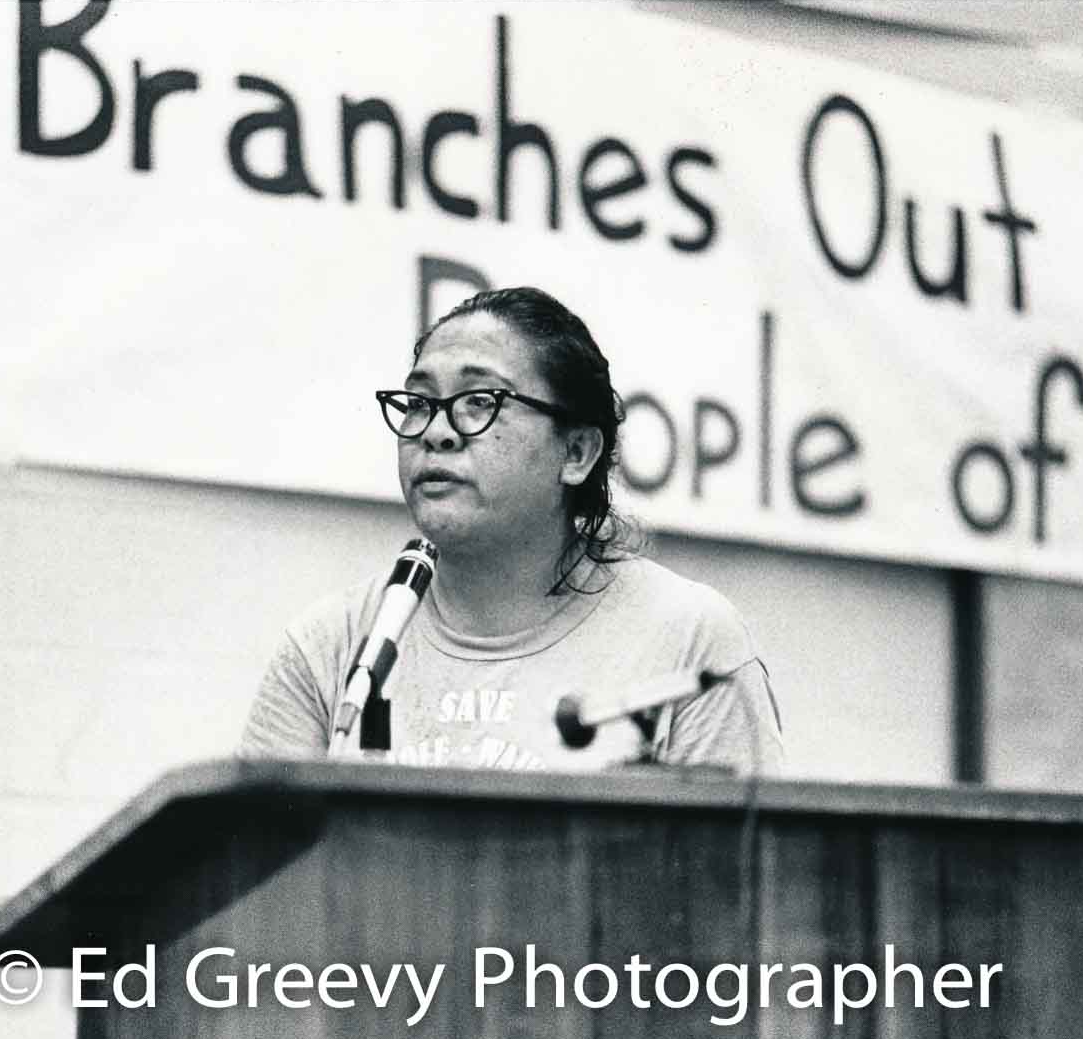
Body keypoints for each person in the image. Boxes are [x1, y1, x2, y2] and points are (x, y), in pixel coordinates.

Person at [240, 287, 783, 774]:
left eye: (480, 401)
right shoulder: (331, 646)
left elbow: (744, 856)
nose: (436, 432)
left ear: (576, 453)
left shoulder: (687, 639)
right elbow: (255, 853)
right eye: (420, 403)